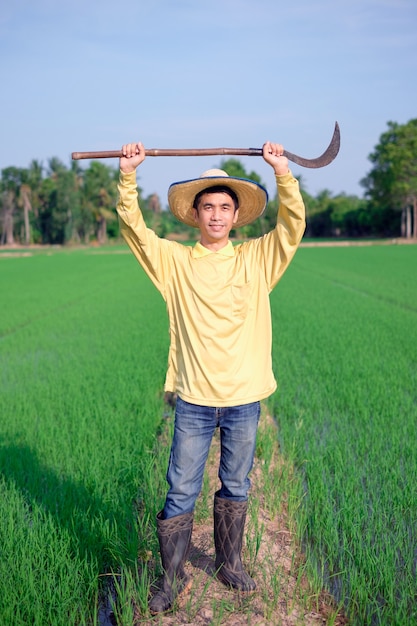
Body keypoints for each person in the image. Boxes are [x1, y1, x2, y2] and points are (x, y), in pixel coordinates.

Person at [116, 140, 305, 614]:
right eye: (208, 207)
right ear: (195, 215)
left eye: (225, 207)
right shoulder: (176, 263)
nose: (216, 215)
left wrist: (283, 172)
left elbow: (293, 226)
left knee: (236, 485)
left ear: (236, 216)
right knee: (181, 487)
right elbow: (136, 232)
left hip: (244, 398)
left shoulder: (257, 259)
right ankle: (171, 577)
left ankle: (230, 563)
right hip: (194, 400)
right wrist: (127, 176)